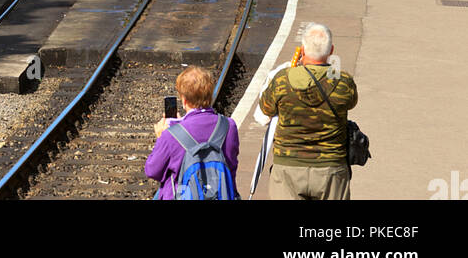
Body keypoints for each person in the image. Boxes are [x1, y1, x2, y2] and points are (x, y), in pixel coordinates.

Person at [259, 22, 358, 200]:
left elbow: (265, 107)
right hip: (331, 168)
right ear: (331, 50)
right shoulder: (343, 82)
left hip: (288, 167)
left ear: (302, 50)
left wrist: (294, 69)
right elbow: (351, 102)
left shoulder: (283, 79)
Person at [144, 66, 239, 200]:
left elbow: (152, 171)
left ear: (184, 100)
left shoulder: (170, 135)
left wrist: (161, 137)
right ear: (210, 95)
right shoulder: (229, 126)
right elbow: (231, 164)